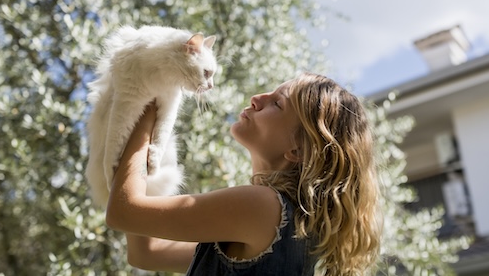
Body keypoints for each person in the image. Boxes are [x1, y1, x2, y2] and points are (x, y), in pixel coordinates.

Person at [106, 72, 382, 275]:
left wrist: (148, 109)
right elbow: (146, 253)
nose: (258, 98)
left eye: (278, 104)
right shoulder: (285, 225)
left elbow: (123, 213)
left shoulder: (263, 206)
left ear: (297, 150)